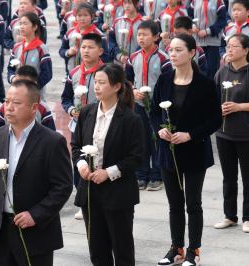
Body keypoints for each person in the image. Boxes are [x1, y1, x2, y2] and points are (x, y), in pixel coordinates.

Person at [149, 34, 222, 266]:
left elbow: (215, 120)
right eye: (170, 50)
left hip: (194, 151)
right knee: (174, 204)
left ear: (192, 53)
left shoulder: (205, 84)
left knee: (193, 203)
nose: (172, 54)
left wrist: (190, 135)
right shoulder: (164, 79)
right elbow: (153, 113)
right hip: (167, 151)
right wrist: (160, 130)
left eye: (178, 50)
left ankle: (193, 250)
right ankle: (176, 247)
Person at [0, 79, 73, 266]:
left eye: (16, 103)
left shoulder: (52, 141)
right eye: (7, 102)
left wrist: (36, 214)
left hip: (35, 233)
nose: (8, 108)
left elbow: (63, 187)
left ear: (34, 107)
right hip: (1, 232)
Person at [72, 63, 145, 265]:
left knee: (122, 250)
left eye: (102, 82)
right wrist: (81, 165)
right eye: (95, 82)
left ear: (117, 87)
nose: (96, 86)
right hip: (89, 189)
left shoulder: (131, 119)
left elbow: (136, 157)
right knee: (97, 249)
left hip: (118, 191)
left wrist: (109, 172)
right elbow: (76, 145)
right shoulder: (87, 112)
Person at [214, 33, 249, 233]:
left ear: (246, 50)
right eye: (228, 46)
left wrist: (239, 107)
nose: (229, 49)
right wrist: (217, 108)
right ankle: (230, 216)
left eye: (234, 46)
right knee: (228, 177)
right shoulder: (222, 72)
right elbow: (212, 98)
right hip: (223, 134)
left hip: (246, 134)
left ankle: (248, 219)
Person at [125, 20, 172, 190]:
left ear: (156, 37)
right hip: (138, 105)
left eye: (145, 35)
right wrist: (133, 90)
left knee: (156, 140)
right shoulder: (133, 58)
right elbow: (126, 80)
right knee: (141, 139)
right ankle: (141, 174)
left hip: (157, 108)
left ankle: (157, 175)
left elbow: (169, 82)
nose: (141, 38)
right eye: (139, 35)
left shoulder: (163, 58)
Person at [61, 33, 104, 219]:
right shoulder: (74, 72)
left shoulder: (106, 72)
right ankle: (82, 199)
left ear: (100, 51)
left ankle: (99, 198)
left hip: (99, 124)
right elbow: (66, 98)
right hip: (77, 126)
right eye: (83, 47)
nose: (85, 51)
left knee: (98, 159)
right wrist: (71, 110)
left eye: (91, 47)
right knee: (79, 160)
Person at [0, 65, 56, 131]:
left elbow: (51, 136)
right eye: (16, 83)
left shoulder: (43, 109)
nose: (9, 108)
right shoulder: (4, 107)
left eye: (24, 84)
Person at [7, 12, 52, 101]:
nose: (22, 26)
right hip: (17, 93)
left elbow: (47, 74)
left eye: (25, 23)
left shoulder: (41, 48)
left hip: (35, 95)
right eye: (20, 24)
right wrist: (13, 79)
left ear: (35, 27)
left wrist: (32, 86)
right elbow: (10, 69)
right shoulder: (17, 47)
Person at [59, 3, 109, 77]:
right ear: (75, 17)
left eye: (85, 15)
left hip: (92, 73)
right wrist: (68, 52)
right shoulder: (70, 32)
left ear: (92, 17)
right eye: (79, 15)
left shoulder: (98, 34)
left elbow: (106, 55)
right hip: (73, 72)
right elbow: (62, 50)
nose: (82, 18)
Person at [187, 0, 227, 79]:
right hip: (197, 40)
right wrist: (192, 25)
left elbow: (222, 20)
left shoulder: (218, 1)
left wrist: (208, 31)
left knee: (212, 70)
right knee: (198, 68)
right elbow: (189, 15)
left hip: (213, 42)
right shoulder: (195, 1)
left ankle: (212, 89)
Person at [109, 0, 145, 66]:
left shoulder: (144, 23)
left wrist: (132, 59)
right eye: (124, 3)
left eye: (130, 3)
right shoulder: (117, 22)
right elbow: (112, 42)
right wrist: (120, 56)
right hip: (119, 63)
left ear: (137, 4)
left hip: (138, 63)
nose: (127, 6)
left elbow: (145, 44)